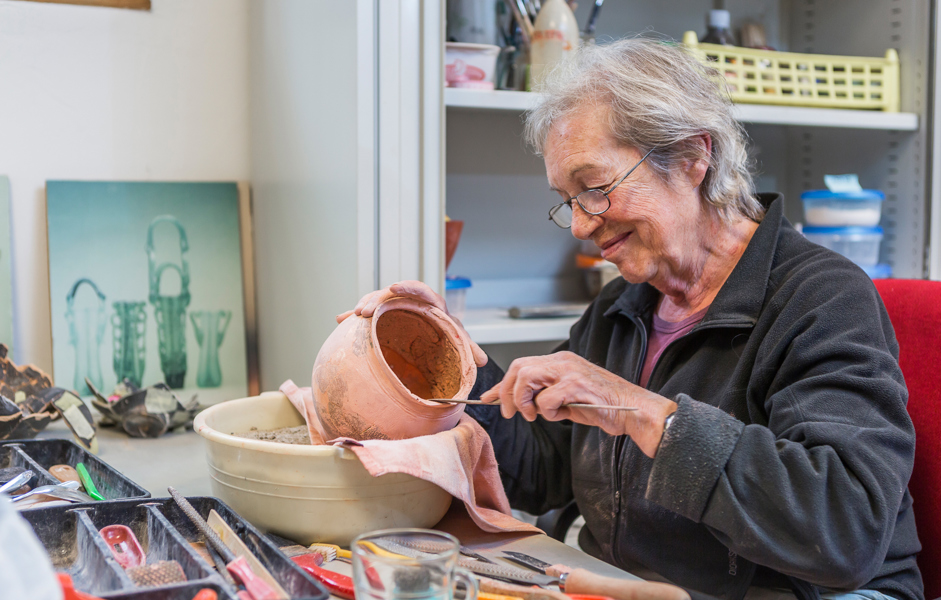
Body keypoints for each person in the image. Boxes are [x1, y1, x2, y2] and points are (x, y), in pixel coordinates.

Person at [342, 39, 923, 600]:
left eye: (594, 188)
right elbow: (545, 467)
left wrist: (647, 416)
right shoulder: (623, 306)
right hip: (643, 586)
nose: (580, 225)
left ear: (694, 157)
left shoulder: (821, 298)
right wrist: (447, 359)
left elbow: (844, 528)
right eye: (568, 199)